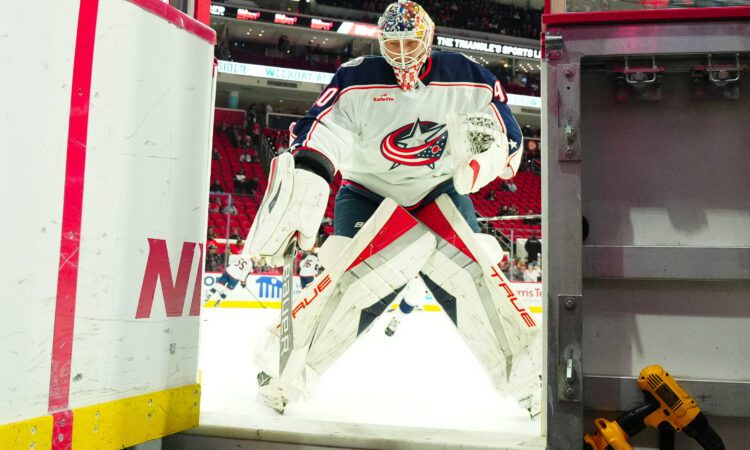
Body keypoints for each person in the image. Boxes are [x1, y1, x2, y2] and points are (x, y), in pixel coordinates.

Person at [245, 1, 539, 420]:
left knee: (475, 278)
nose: (401, 53)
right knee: (351, 284)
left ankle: (529, 379)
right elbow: (321, 127)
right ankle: (281, 375)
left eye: (409, 42)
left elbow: (504, 131)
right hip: (367, 191)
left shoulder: (466, 75)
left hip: (439, 190)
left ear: (428, 39)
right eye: (393, 43)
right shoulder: (356, 78)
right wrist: (311, 172)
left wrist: (485, 161)